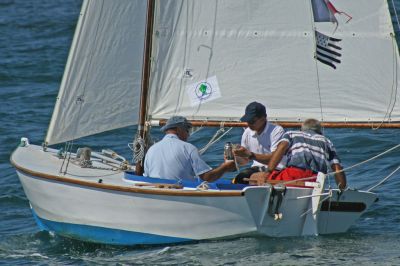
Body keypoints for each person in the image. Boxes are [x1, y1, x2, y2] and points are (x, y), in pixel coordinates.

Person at [250, 118, 347, 189]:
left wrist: (267, 173)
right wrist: (342, 190)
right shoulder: (327, 141)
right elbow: (337, 167)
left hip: (293, 175)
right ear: (319, 132)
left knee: (254, 177)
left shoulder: (292, 134)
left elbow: (281, 149)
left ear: (302, 129)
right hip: (316, 180)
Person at [144, 116, 236, 182]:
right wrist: (225, 167)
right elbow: (207, 177)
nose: (188, 135)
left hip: (156, 191)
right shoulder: (188, 148)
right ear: (178, 129)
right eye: (187, 130)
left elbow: (147, 177)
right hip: (178, 195)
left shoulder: (151, 150)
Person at [232, 101, 286, 184]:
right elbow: (244, 161)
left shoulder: (277, 131)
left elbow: (275, 159)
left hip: (277, 169)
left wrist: (250, 155)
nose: (249, 124)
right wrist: (235, 156)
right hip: (256, 169)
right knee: (238, 179)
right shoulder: (247, 132)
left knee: (251, 179)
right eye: (247, 121)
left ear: (263, 118)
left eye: (252, 121)